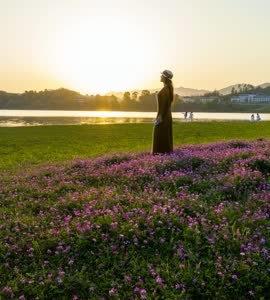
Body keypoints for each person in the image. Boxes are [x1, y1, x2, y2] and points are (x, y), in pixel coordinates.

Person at [152, 69, 174, 154]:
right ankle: (165, 153)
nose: (160, 76)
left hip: (163, 116)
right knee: (164, 135)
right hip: (165, 115)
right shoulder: (167, 89)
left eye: (162, 75)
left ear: (164, 78)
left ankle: (159, 154)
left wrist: (160, 117)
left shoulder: (165, 90)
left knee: (159, 134)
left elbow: (164, 105)